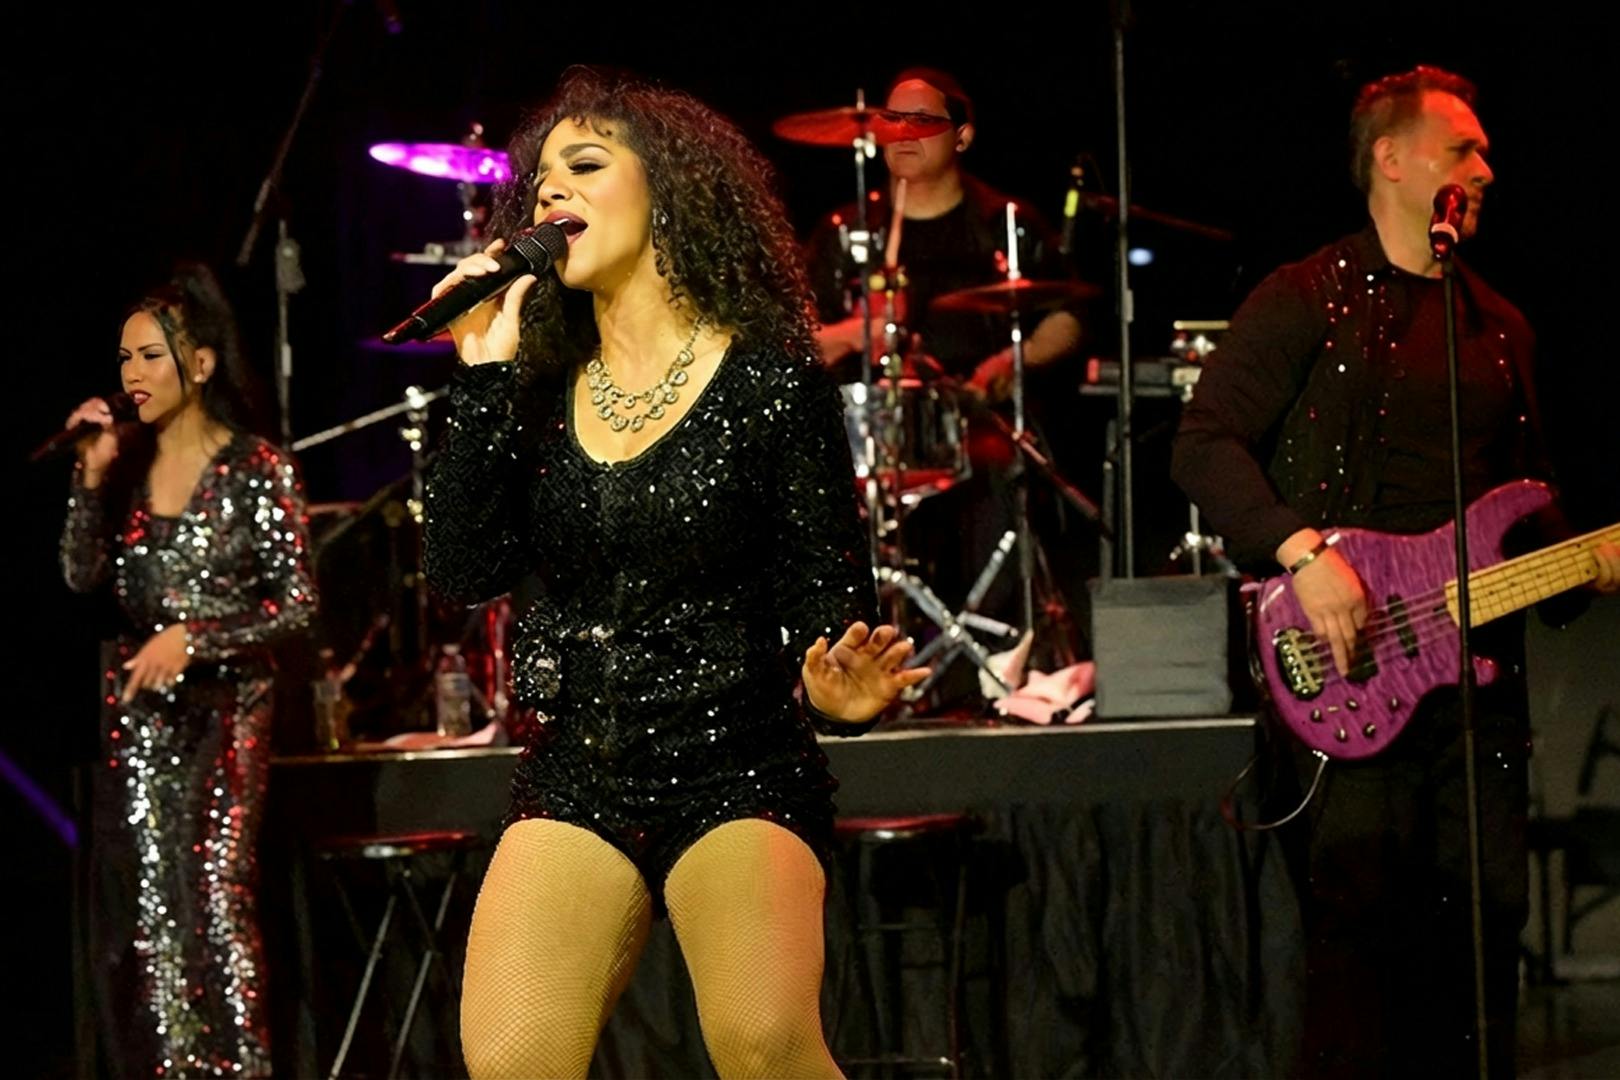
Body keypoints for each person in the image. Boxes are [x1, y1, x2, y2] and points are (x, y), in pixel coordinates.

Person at [421, 67, 929, 1079]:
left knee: (764, 1042)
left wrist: (841, 689)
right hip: (575, 769)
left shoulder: (770, 381)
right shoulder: (532, 388)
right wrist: (480, 375)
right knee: (511, 1059)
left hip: (735, 765)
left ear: (669, 189)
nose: (550, 191)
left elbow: (827, 601)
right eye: (541, 179)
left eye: (585, 165)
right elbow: (465, 570)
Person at [1171, 66, 1620, 1078]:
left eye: (1486, 151)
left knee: (1482, 940)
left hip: (1478, 707)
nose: (1486, 168)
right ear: (1390, 159)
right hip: (1346, 670)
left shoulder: (1500, 328)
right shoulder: (1307, 297)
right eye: (1463, 148)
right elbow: (1201, 445)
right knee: (1358, 950)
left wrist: (1583, 568)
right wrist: (1304, 551)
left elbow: (1531, 510)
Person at [60, 262, 318, 1078]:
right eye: (124, 359)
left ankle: (243, 1069)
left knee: (213, 891)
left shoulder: (257, 468)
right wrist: (88, 478)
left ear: (200, 364)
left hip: (226, 710)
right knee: (155, 910)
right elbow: (81, 576)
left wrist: (194, 639)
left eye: (151, 357)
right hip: (142, 718)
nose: (132, 375)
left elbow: (298, 605)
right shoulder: (126, 471)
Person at [803, 68, 1088, 680]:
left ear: (962, 135)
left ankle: (994, 657)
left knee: (1001, 470)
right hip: (863, 432)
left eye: (923, 121)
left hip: (972, 419)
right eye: (892, 120)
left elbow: (1066, 317)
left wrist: (1008, 365)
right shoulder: (846, 234)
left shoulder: (1005, 224)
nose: (903, 133)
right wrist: (856, 332)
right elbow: (789, 343)